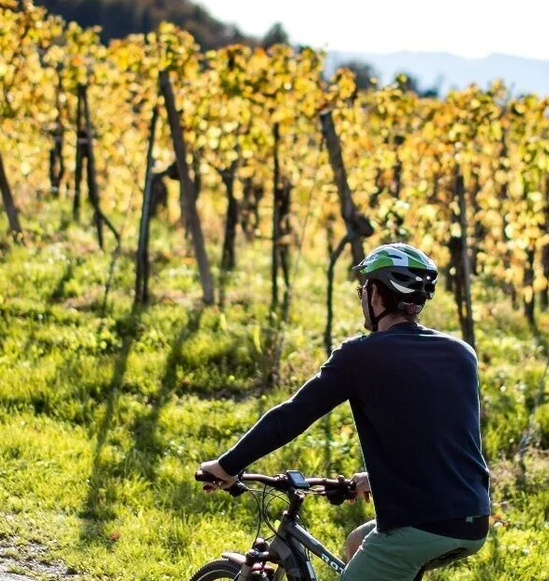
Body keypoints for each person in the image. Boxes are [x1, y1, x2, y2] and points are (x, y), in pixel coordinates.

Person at [198, 243, 492, 580]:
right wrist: (374, 479)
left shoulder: (360, 356)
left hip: (422, 523)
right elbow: (443, 434)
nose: (361, 296)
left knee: (389, 548)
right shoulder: (460, 353)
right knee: (357, 542)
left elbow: (290, 417)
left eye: (364, 288)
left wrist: (227, 465)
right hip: (472, 519)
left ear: (377, 294)